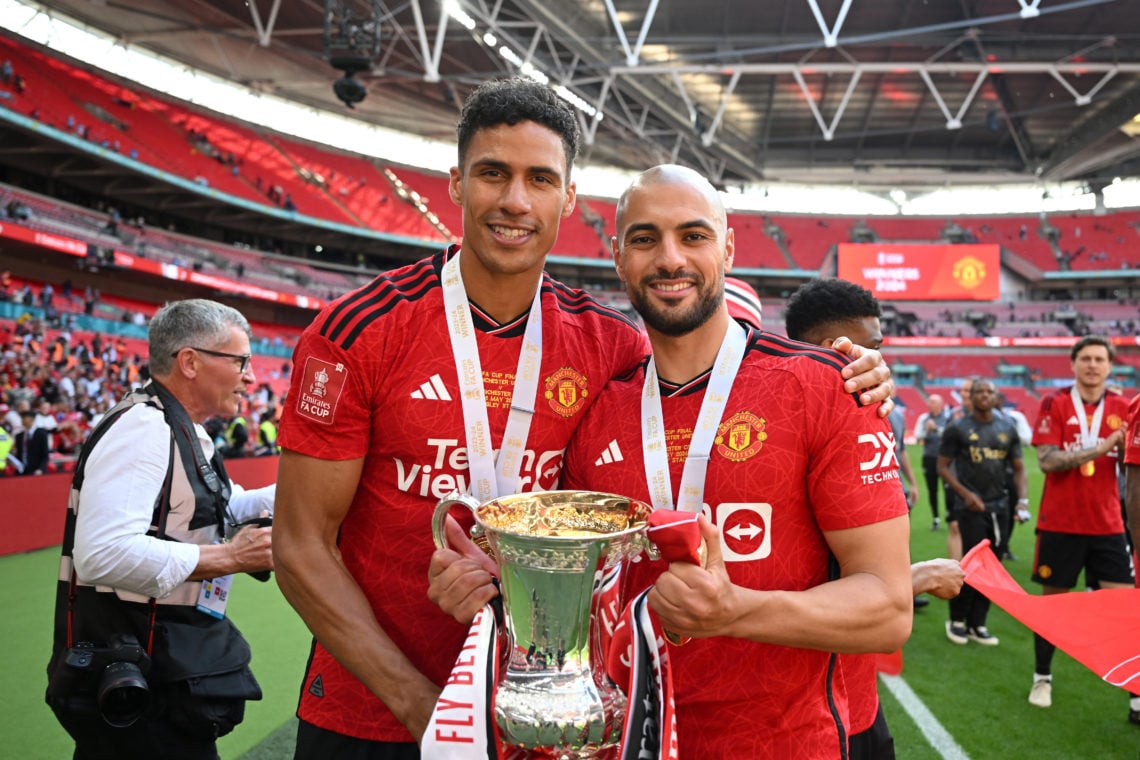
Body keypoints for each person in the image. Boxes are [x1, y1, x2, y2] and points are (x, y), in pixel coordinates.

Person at [274, 78, 896, 759]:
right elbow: (301, 547)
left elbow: (711, 362)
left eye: (539, 178)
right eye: (492, 174)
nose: (515, 200)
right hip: (378, 716)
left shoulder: (609, 349)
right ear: (455, 184)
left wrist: (852, 373)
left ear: (568, 199)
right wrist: (427, 711)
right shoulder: (359, 331)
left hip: (553, 710)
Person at [429, 165, 913, 758]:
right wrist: (488, 589)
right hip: (629, 736)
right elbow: (578, 593)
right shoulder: (598, 410)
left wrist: (737, 611)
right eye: (644, 239)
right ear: (618, 257)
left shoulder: (825, 388)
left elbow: (888, 609)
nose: (669, 259)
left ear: (727, 248)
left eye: (693, 236)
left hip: (784, 741)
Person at [45, 298, 275, 760]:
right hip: (137, 667)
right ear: (189, 362)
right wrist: (229, 558)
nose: (251, 377)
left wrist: (316, 479)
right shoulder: (144, 428)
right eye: (240, 361)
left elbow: (223, 511)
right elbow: (102, 553)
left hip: (162, 662)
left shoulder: (183, 427)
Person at [782, 276, 965, 759]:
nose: (884, 357)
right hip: (809, 707)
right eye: (875, 346)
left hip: (850, 692)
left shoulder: (865, 404)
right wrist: (917, 577)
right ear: (837, 346)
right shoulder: (838, 414)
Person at [1027, 335, 1134, 719]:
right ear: (1073, 364)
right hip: (1060, 523)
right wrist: (1103, 447)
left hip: (1108, 524)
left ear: (1109, 366)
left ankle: (1135, 694)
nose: (1092, 365)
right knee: (1053, 609)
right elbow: (1048, 461)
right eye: (1085, 358)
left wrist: (1122, 452)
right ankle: (1042, 677)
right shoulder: (1054, 403)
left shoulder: (1125, 406)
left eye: (1099, 359)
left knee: (1126, 610)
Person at [937, 377, 1027, 646]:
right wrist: (966, 494)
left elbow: (1020, 468)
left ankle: (978, 623)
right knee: (971, 566)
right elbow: (943, 466)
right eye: (980, 391)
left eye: (989, 391)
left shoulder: (1007, 427)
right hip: (970, 507)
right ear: (972, 396)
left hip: (1000, 506)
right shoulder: (957, 427)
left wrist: (1022, 501)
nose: (985, 395)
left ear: (996, 396)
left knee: (993, 568)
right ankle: (957, 620)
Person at [914, 394, 951, 530]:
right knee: (932, 489)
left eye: (934, 402)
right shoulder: (923, 418)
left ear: (941, 404)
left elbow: (950, 436)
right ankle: (936, 519)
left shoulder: (948, 418)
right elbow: (917, 436)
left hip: (945, 458)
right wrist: (927, 431)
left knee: (948, 488)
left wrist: (936, 429)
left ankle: (949, 514)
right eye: (930, 402)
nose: (931, 405)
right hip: (929, 457)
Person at [14, 407, 50, 475]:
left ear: (31, 419)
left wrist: (40, 469)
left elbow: (45, 455)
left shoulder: (41, 434)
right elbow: (19, 454)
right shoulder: (19, 436)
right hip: (22, 471)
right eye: (21, 417)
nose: (22, 420)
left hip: (37, 471)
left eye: (24, 417)